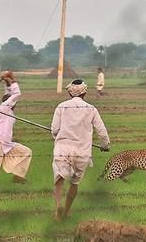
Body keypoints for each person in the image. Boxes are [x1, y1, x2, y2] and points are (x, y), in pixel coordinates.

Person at [51, 79, 110, 221]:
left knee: (59, 178)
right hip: (82, 152)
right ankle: (66, 211)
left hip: (62, 149)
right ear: (84, 93)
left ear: (70, 92)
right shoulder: (91, 109)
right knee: (74, 182)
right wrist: (105, 145)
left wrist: (59, 135)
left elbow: (54, 130)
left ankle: (58, 206)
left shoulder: (61, 107)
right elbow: (101, 130)